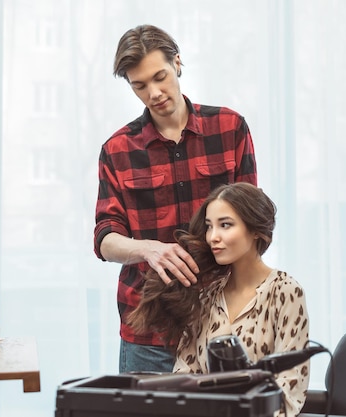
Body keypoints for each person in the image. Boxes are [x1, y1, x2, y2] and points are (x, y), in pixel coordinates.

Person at [93, 24, 257, 373]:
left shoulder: (230, 128)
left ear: (178, 63)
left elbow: (254, 225)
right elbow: (105, 239)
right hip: (149, 333)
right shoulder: (117, 150)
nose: (153, 92)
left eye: (160, 76)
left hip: (225, 325)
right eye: (140, 85)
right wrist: (148, 249)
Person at [128, 182, 310, 417]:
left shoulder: (286, 292)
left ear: (255, 230)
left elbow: (290, 388)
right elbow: (184, 377)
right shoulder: (206, 297)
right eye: (209, 227)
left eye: (225, 225)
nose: (213, 237)